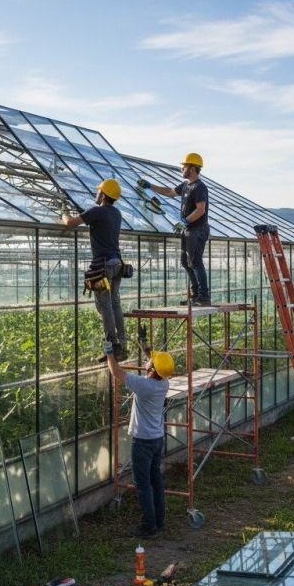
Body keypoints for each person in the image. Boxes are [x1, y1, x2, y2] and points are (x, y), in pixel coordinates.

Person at [105, 339, 174, 538]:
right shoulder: (163, 382)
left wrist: (109, 352)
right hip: (157, 439)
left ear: (152, 369)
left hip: (143, 442)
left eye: (151, 362)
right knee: (156, 480)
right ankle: (159, 520)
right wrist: (145, 347)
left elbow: (116, 372)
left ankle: (148, 525)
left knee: (143, 484)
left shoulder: (144, 385)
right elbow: (154, 364)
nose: (149, 362)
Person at [62, 178, 127, 360]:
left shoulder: (97, 211)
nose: (96, 193)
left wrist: (64, 213)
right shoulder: (117, 213)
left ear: (104, 195)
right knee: (115, 303)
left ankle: (111, 346)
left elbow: (70, 223)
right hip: (117, 263)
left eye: (99, 191)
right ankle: (122, 344)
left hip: (103, 265)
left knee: (104, 305)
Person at [138, 153, 210, 305]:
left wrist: (185, 221)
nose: (181, 168)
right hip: (188, 229)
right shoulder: (185, 186)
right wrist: (150, 186)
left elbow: (201, 209)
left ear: (192, 167)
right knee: (185, 262)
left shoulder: (200, 187)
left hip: (197, 229)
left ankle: (204, 297)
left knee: (195, 262)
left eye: (184, 166)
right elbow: (170, 192)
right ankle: (195, 295)